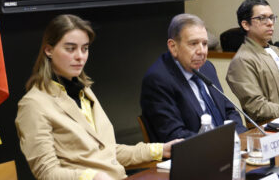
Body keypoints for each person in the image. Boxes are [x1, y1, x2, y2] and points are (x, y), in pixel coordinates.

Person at [16, 14, 177, 180]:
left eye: (84, 48)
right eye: (70, 49)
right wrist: (90, 177)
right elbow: (47, 173)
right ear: (49, 50)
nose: (80, 56)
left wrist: (162, 149)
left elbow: (108, 153)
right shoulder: (33, 104)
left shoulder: (84, 91)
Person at [140, 13, 246, 142]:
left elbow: (229, 111)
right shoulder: (158, 80)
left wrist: (240, 138)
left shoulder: (207, 67)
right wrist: (219, 143)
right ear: (173, 47)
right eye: (193, 43)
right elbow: (174, 134)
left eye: (205, 44)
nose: (201, 51)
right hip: (193, 155)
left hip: (229, 149)